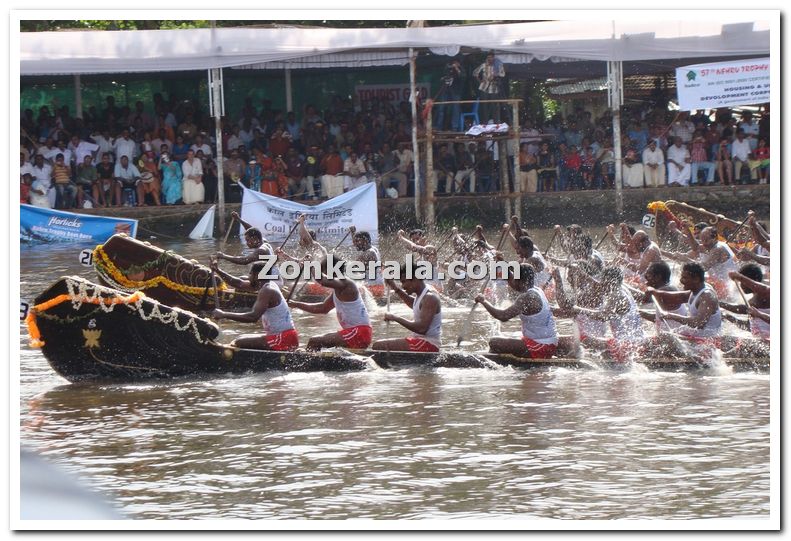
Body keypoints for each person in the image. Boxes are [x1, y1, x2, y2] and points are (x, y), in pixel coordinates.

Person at [287, 257, 373, 351]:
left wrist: (309, 265)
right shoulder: (339, 289)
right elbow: (323, 308)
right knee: (319, 344)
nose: (323, 274)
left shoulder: (346, 283)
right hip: (354, 332)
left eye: (323, 271)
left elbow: (323, 281)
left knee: (314, 341)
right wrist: (296, 304)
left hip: (359, 332)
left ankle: (306, 364)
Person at [211, 261, 299, 351]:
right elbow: (238, 283)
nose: (248, 277)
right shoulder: (265, 284)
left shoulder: (267, 290)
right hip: (282, 336)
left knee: (238, 342)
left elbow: (253, 317)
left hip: (284, 339)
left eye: (250, 273)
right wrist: (218, 270)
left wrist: (224, 314)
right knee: (242, 338)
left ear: (257, 275)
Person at [475, 263, 558, 358]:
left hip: (542, 347)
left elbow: (503, 316)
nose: (510, 282)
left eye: (513, 278)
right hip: (548, 342)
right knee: (513, 335)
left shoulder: (527, 297)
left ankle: (496, 365)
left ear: (520, 280)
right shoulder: (537, 290)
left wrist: (483, 301)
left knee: (494, 342)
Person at [566, 267, 645, 362]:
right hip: (636, 340)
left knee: (585, 341)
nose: (602, 283)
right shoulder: (623, 288)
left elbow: (602, 316)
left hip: (627, 345)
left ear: (611, 281)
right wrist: (584, 274)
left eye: (603, 280)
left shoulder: (615, 296)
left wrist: (579, 310)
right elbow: (598, 285)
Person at [644, 262, 722, 358]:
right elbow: (671, 296)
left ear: (696, 279)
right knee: (656, 339)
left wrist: (672, 316)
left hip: (708, 341)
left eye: (685, 278)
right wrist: (654, 291)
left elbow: (698, 323)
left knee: (665, 337)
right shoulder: (692, 292)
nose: (681, 281)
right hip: (696, 338)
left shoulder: (707, 296)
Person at [372, 261, 442, 352]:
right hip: (421, 342)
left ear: (415, 278)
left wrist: (395, 318)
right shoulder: (423, 294)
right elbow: (414, 304)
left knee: (378, 345)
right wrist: (395, 288)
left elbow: (422, 329)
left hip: (428, 344)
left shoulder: (430, 297)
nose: (403, 286)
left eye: (404, 282)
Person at [216, 212, 281, 286]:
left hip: (272, 281)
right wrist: (239, 219)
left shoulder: (261, 250)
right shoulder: (263, 241)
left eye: (248, 240)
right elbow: (252, 230)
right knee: (243, 278)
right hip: (271, 277)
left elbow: (244, 261)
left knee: (240, 281)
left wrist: (223, 256)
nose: (246, 243)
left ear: (255, 239)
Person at [472, 51, 506, 123]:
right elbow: (475, 73)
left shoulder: (498, 64)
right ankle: (484, 122)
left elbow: (503, 74)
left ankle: (496, 122)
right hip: (484, 88)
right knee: (484, 106)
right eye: (488, 57)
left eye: (491, 57)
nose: (489, 59)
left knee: (495, 106)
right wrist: (480, 81)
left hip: (494, 88)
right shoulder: (484, 65)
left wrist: (495, 75)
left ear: (493, 58)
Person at [352, 231, 384, 297]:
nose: (354, 244)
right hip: (378, 284)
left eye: (357, 241)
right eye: (354, 241)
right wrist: (353, 233)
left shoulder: (369, 253)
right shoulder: (374, 249)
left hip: (373, 287)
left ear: (365, 240)